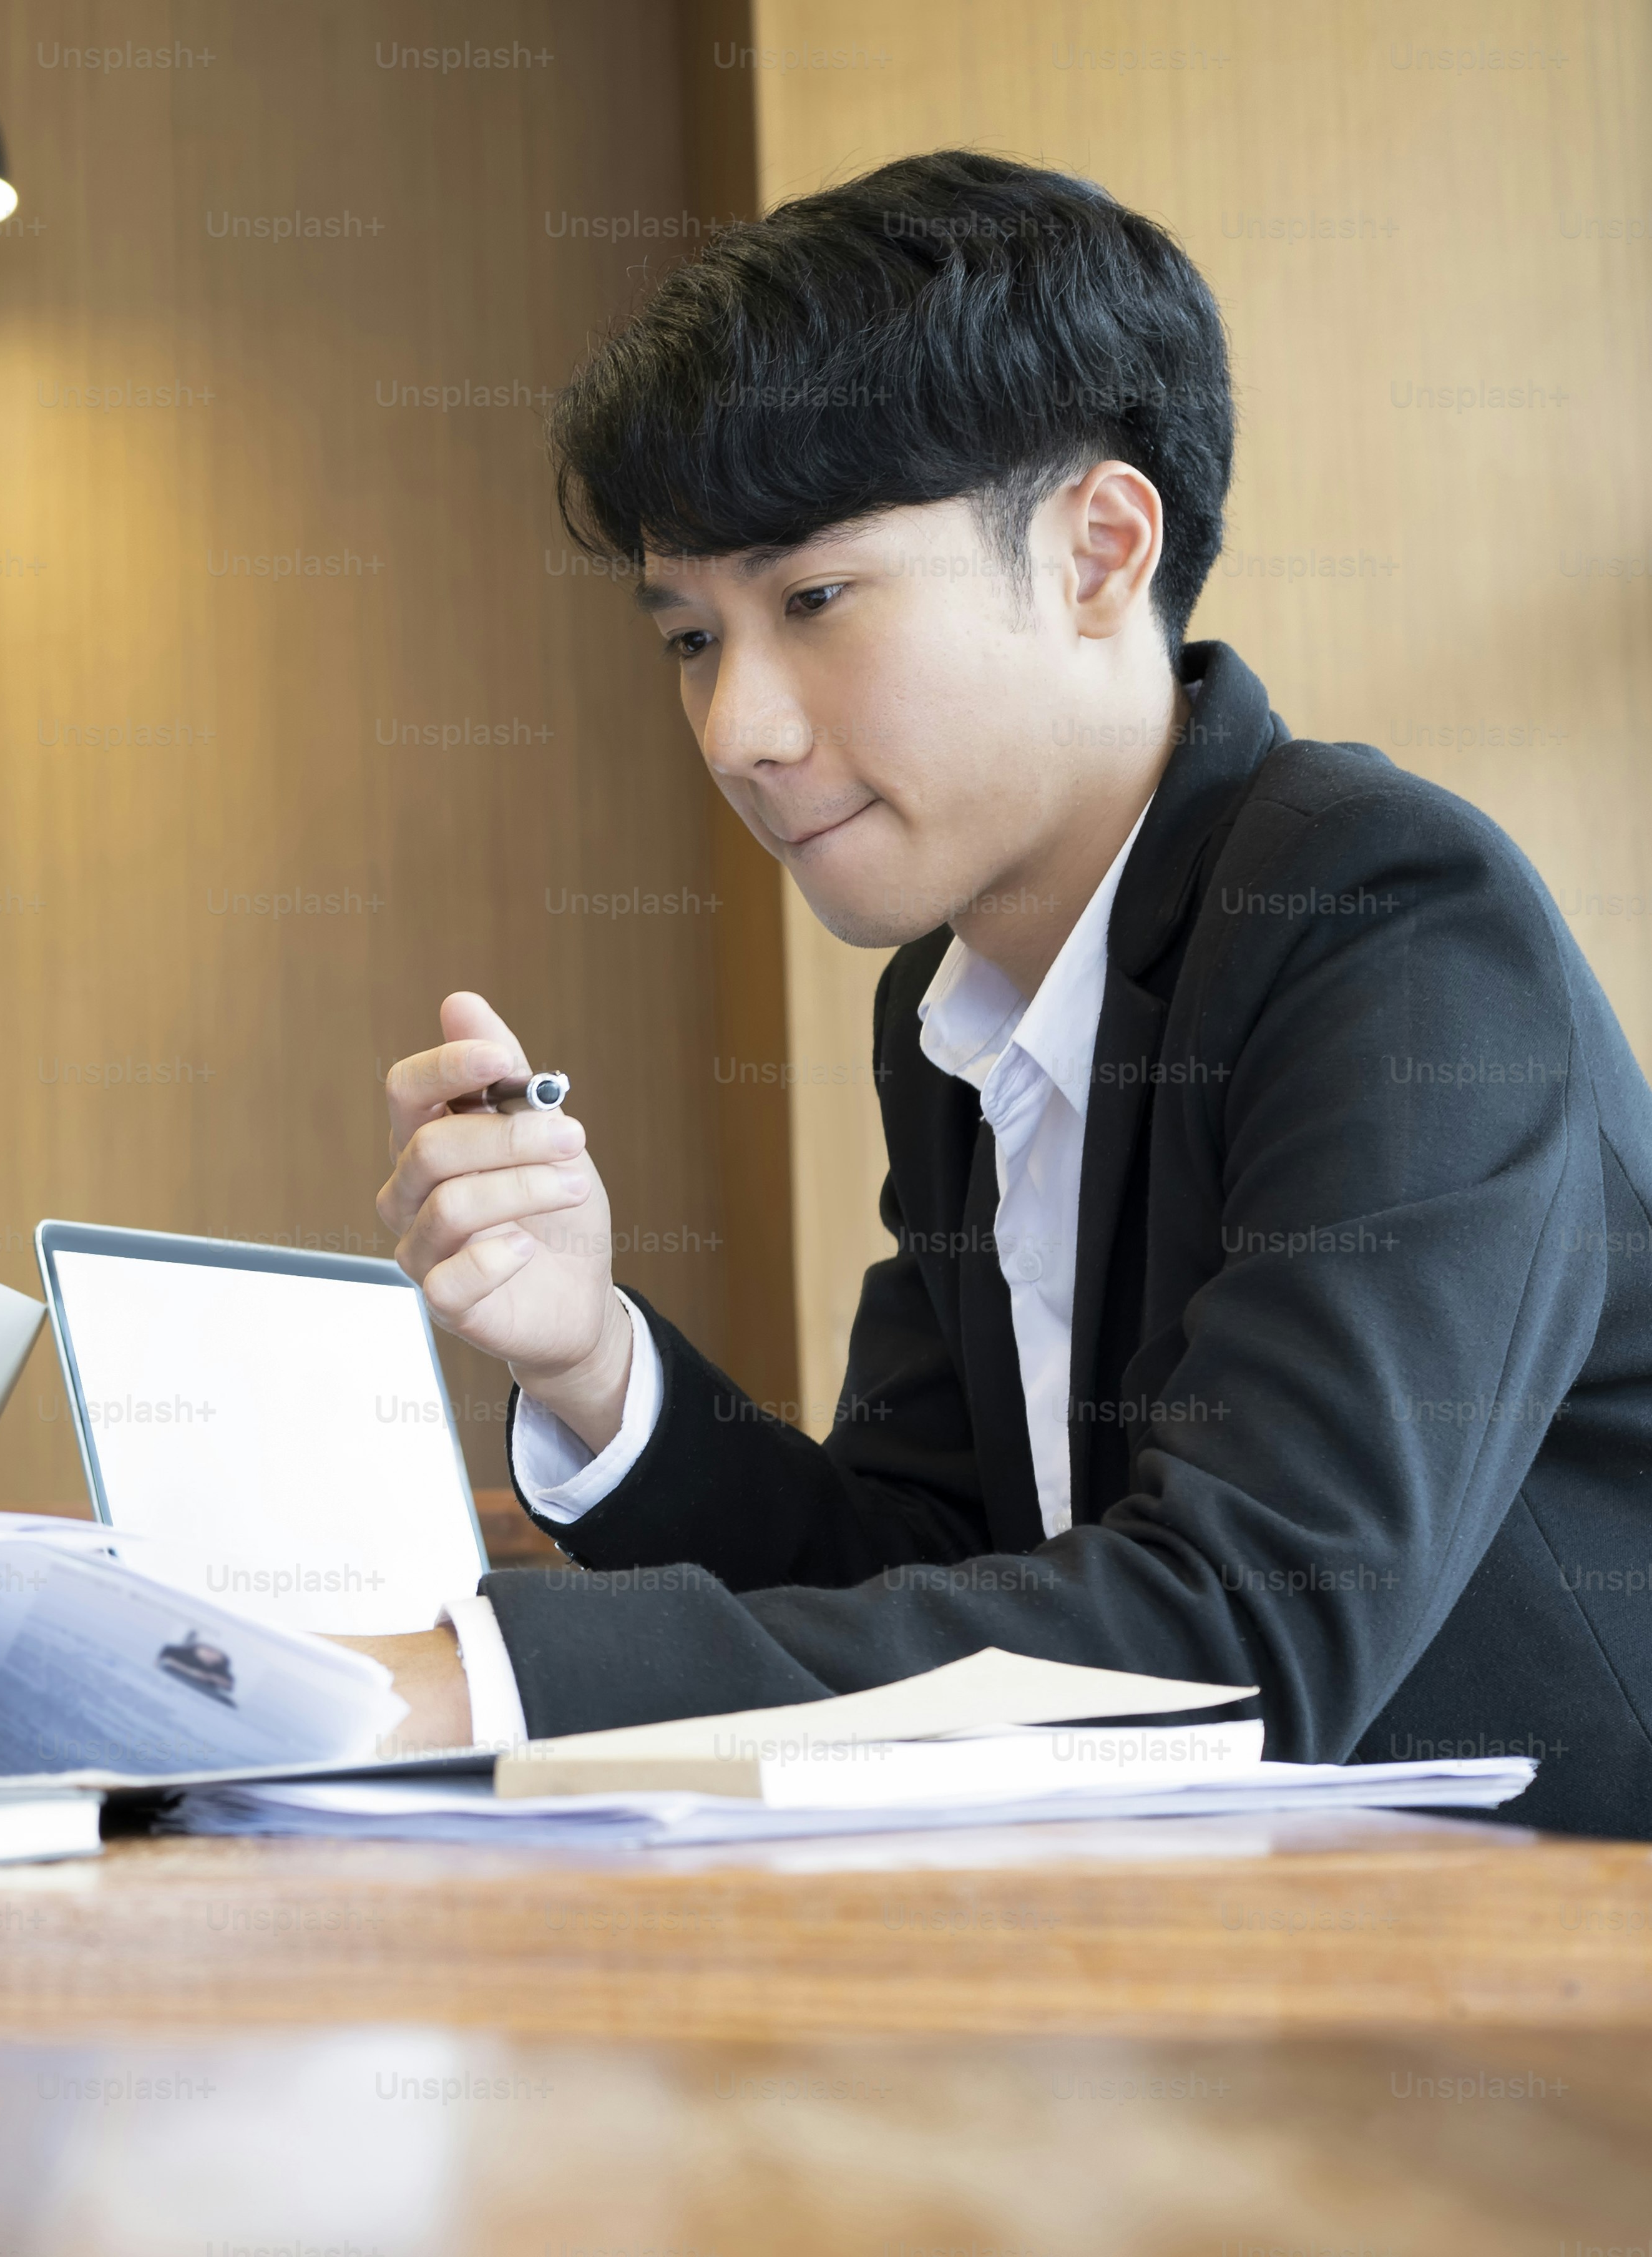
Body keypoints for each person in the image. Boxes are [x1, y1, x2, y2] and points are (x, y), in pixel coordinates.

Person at [355, 151, 1652, 1838]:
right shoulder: (955, 1001)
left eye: (813, 601)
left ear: (1098, 553)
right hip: (1207, 1933)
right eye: (690, 638)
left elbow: (1240, 1641)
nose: (738, 730)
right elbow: (923, 1574)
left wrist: (473, 1687)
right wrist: (597, 1361)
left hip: (1555, 1952)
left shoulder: (1381, 916)